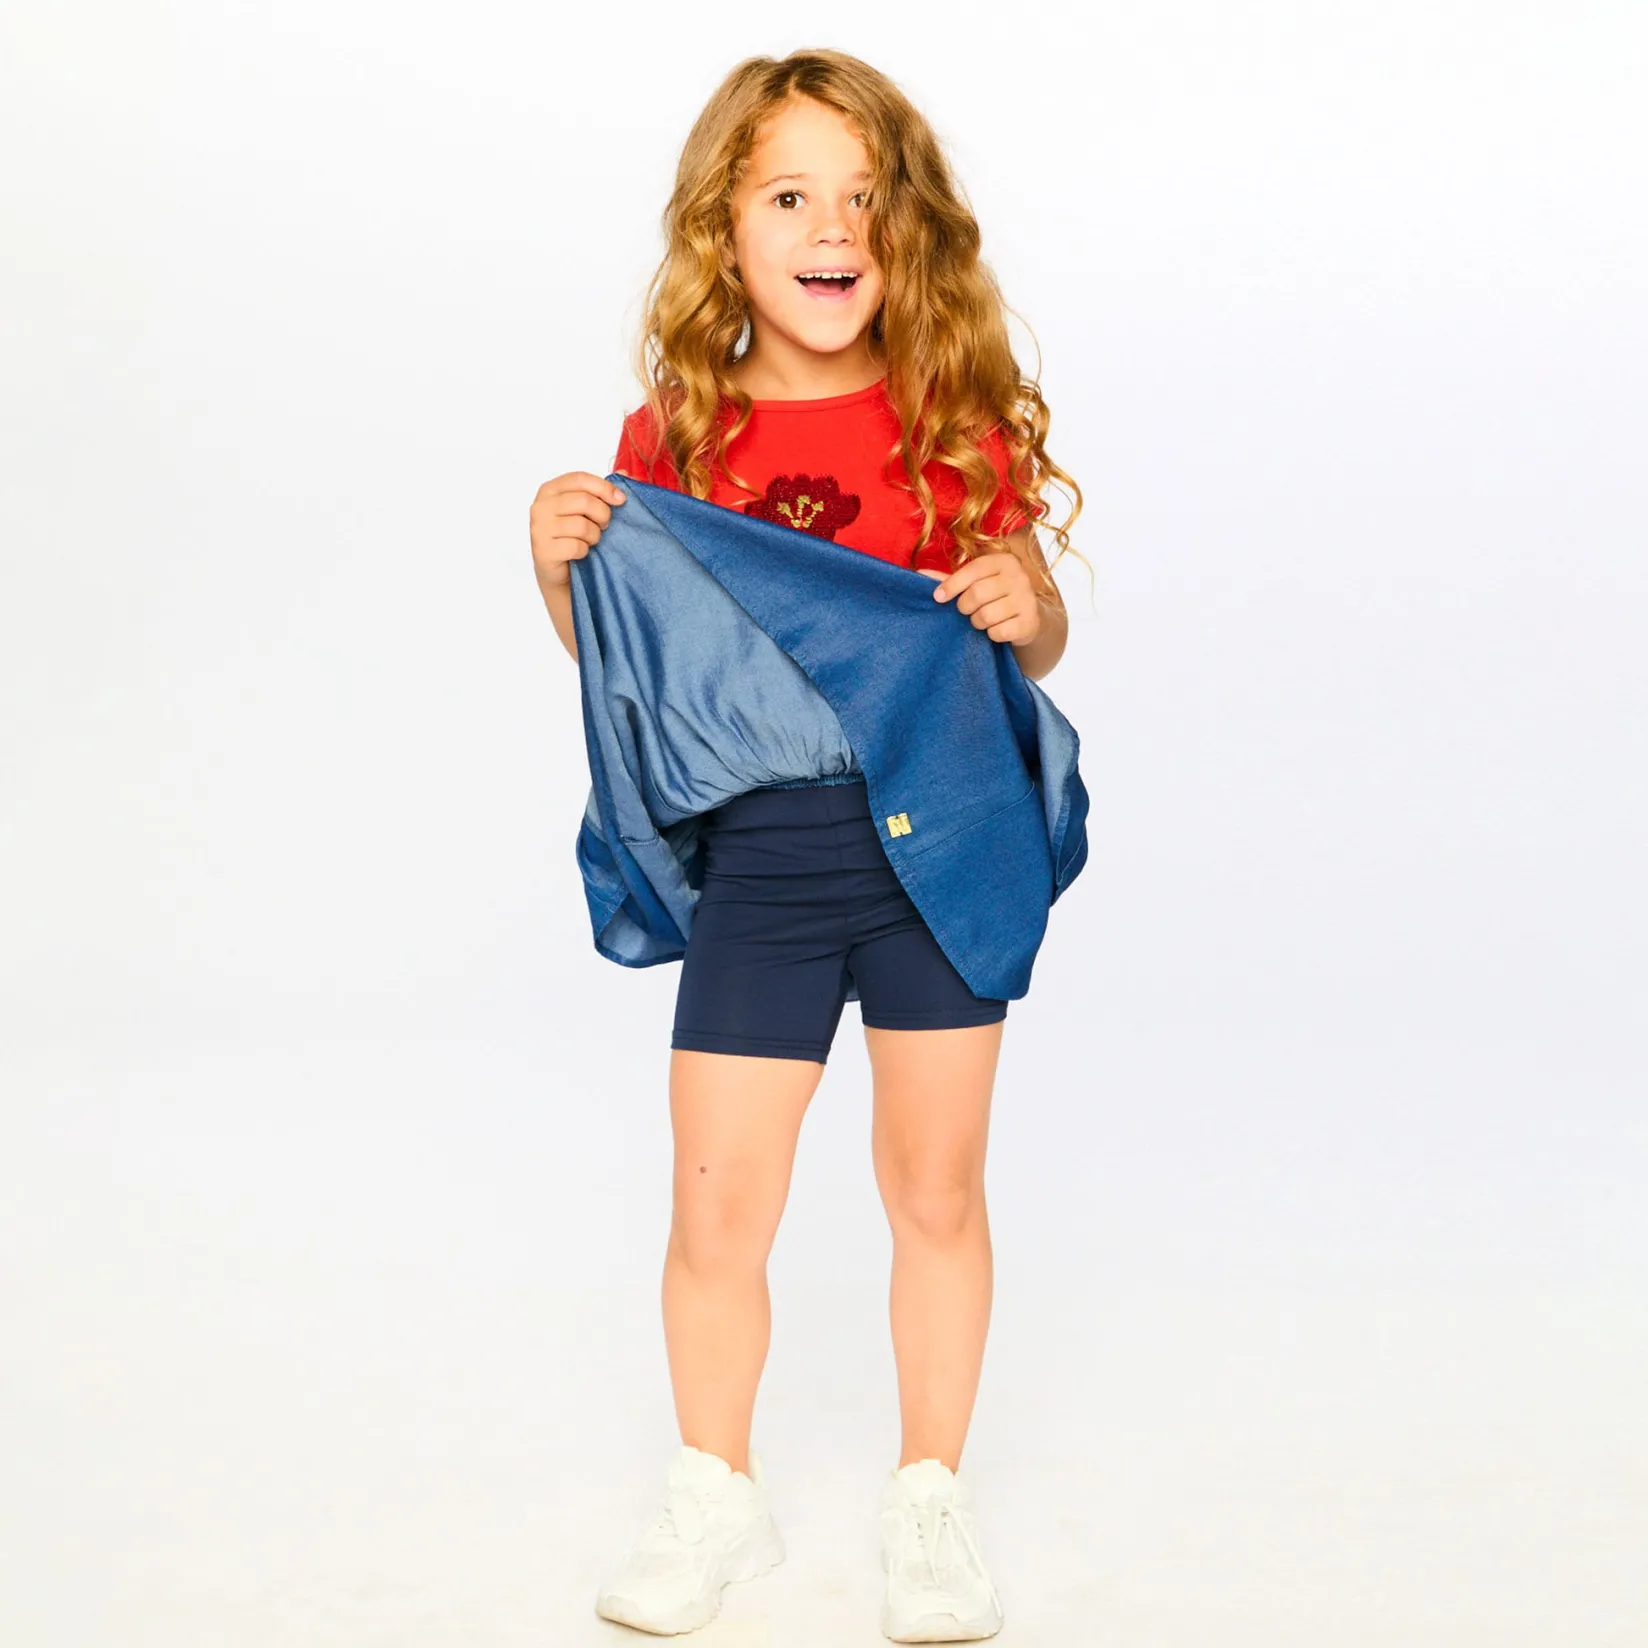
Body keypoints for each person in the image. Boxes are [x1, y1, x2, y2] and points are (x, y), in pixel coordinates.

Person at [528, 48, 1088, 1643]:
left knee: (937, 1188)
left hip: (942, 857)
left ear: (906, 229)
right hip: (768, 871)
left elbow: (1031, 637)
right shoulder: (677, 436)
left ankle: (931, 1496)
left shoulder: (949, 422)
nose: (830, 228)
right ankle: (716, 1489)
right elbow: (645, 668)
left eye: (862, 197)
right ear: (727, 226)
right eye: (788, 196)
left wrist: (1025, 603)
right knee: (718, 1206)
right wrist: (561, 570)